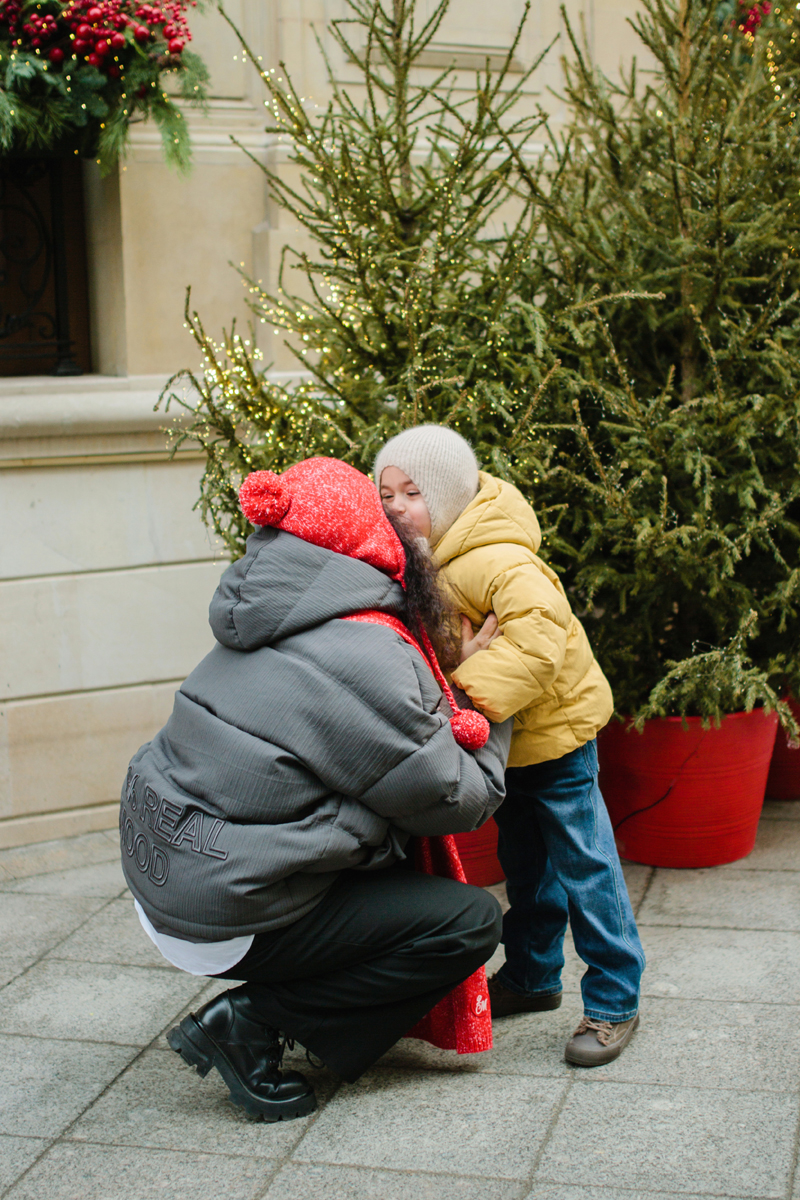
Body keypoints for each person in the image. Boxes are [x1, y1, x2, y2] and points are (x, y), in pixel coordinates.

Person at [120, 456, 511, 1122]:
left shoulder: (266, 609)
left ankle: (276, 1001)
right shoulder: (362, 646)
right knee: (465, 924)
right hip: (222, 906)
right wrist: (487, 702)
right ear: (366, 537)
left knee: (381, 865)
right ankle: (249, 1022)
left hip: (163, 868)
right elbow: (459, 800)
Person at [375, 425, 645, 1067]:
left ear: (446, 497)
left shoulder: (499, 557)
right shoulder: (425, 558)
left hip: (552, 737)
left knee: (586, 865)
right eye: (384, 492)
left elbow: (539, 641)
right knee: (527, 864)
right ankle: (532, 975)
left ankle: (614, 999)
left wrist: (462, 698)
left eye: (412, 493)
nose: (395, 507)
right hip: (505, 745)